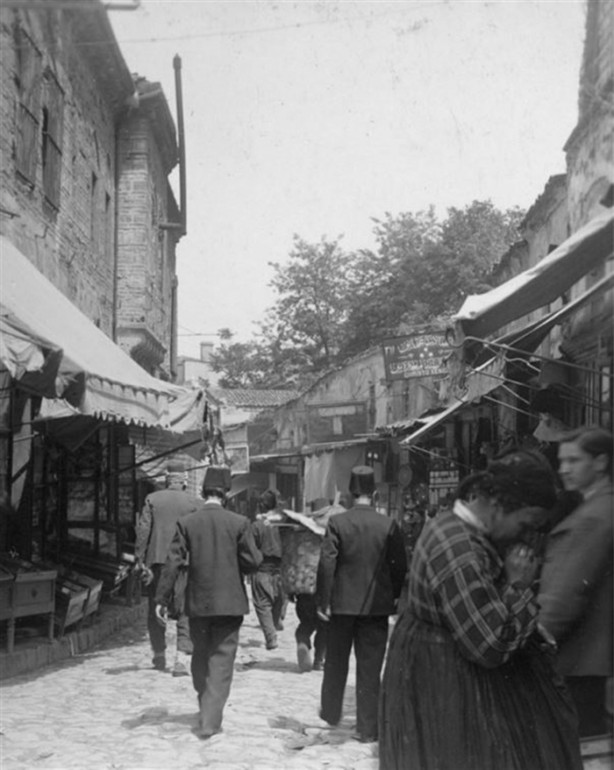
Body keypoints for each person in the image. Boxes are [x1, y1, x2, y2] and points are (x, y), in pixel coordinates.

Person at [379, 450, 583, 770]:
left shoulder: (455, 528)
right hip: (446, 687)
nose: (526, 535)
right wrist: (518, 587)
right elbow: (489, 645)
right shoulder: (461, 550)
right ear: (500, 506)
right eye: (527, 523)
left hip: (436, 676)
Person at [155, 465, 262, 740]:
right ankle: (210, 721)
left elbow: (172, 562)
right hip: (230, 604)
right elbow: (253, 562)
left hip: (198, 603)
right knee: (222, 660)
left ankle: (206, 705)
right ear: (225, 493)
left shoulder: (189, 522)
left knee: (200, 655)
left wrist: (161, 597)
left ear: (203, 491)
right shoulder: (239, 523)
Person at [316, 466, 407, 743]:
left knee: (335, 661)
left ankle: (331, 713)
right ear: (375, 494)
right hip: (375, 607)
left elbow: (327, 563)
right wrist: (393, 595)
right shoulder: (389, 524)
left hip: (342, 605)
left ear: (350, 494)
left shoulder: (337, 523)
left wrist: (323, 599)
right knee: (370, 668)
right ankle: (368, 729)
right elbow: (400, 565)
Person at [538, 427, 613, 738]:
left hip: (580, 660)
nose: (563, 469)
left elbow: (565, 597)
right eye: (561, 461)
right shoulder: (600, 510)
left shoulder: (593, 518)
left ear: (600, 463)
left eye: (574, 460)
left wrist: (535, 642)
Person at [135, 461, 199, 675]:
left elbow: (143, 530)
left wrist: (139, 559)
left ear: (165, 479)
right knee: (184, 609)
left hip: (157, 562)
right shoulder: (194, 503)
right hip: (185, 563)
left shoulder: (152, 499)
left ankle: (159, 653)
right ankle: (181, 657)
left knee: (156, 607)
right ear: (185, 481)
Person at [251, 489, 285, 650]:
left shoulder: (256, 525)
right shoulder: (284, 524)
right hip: (281, 569)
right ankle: (276, 623)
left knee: (263, 604)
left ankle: (271, 637)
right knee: (278, 601)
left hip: (262, 568)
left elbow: (250, 549)